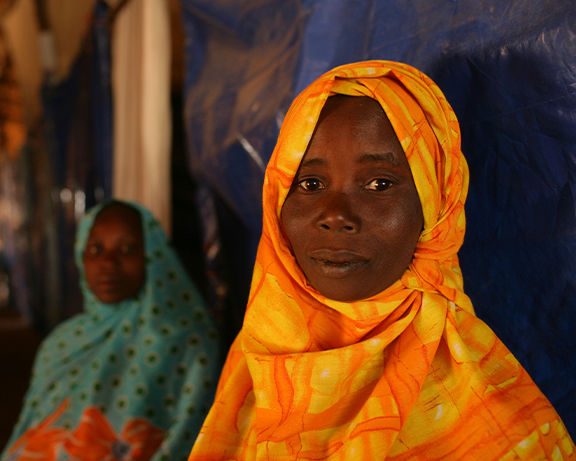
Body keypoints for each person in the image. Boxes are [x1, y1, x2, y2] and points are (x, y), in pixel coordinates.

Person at [189, 61, 575, 460]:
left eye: (379, 184)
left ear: (435, 207)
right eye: (310, 183)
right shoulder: (257, 362)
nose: (335, 214)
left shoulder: (500, 432)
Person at [2, 200, 220, 461]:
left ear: (153, 257)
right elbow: (31, 427)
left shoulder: (188, 342)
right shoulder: (61, 341)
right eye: (95, 249)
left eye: (127, 249)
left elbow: (191, 438)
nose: (108, 261)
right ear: (81, 256)